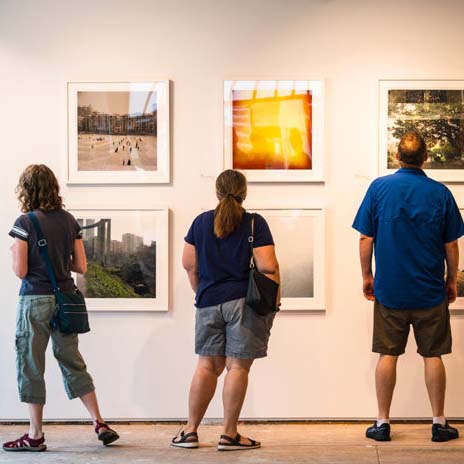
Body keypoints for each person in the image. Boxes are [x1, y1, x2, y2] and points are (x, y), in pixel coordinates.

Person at [353, 131, 464, 442]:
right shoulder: (440, 193)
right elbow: (451, 244)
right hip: (430, 291)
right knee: (433, 355)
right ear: (425, 157)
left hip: (390, 291)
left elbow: (365, 238)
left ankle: (383, 423)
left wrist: (366, 275)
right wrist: (451, 279)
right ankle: (439, 423)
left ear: (397, 156)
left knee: (387, 354)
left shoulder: (379, 188)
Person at [3, 165, 119, 452]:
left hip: (35, 300)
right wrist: (56, 263)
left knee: (31, 364)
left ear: (27, 189)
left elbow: (20, 271)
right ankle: (99, 423)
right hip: (65, 298)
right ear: (53, 187)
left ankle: (35, 434)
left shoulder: (25, 222)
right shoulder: (69, 221)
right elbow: (80, 266)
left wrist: (18, 255)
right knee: (72, 361)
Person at [172, 169, 280, 451]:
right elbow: (268, 267)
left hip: (208, 301)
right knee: (237, 367)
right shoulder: (254, 223)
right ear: (244, 193)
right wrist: (274, 300)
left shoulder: (201, 222)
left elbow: (188, 264)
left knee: (207, 367)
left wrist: (202, 291)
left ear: (217, 192)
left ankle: (190, 431)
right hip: (242, 303)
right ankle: (229, 434)